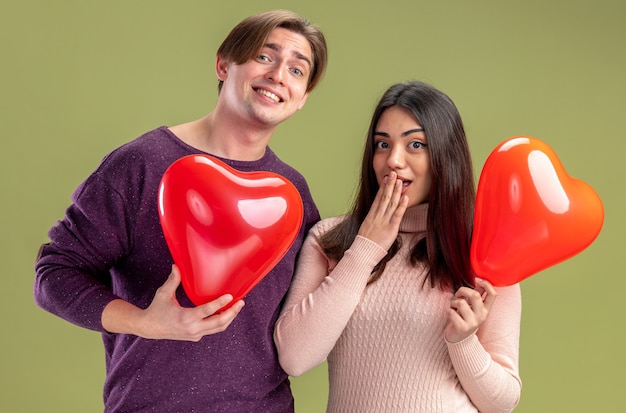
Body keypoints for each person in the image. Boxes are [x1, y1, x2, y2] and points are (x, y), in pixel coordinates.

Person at [34, 10, 327, 412]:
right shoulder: (141, 164)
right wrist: (144, 322)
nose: (278, 74)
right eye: (265, 56)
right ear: (224, 64)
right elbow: (53, 275)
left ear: (302, 98)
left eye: (297, 70)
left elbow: (313, 308)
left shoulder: (292, 195)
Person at [274, 81, 522, 412]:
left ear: (445, 155)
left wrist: (463, 342)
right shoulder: (328, 240)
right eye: (382, 144)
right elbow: (295, 356)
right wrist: (364, 248)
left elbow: (502, 403)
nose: (393, 160)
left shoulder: (484, 253)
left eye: (415, 144)